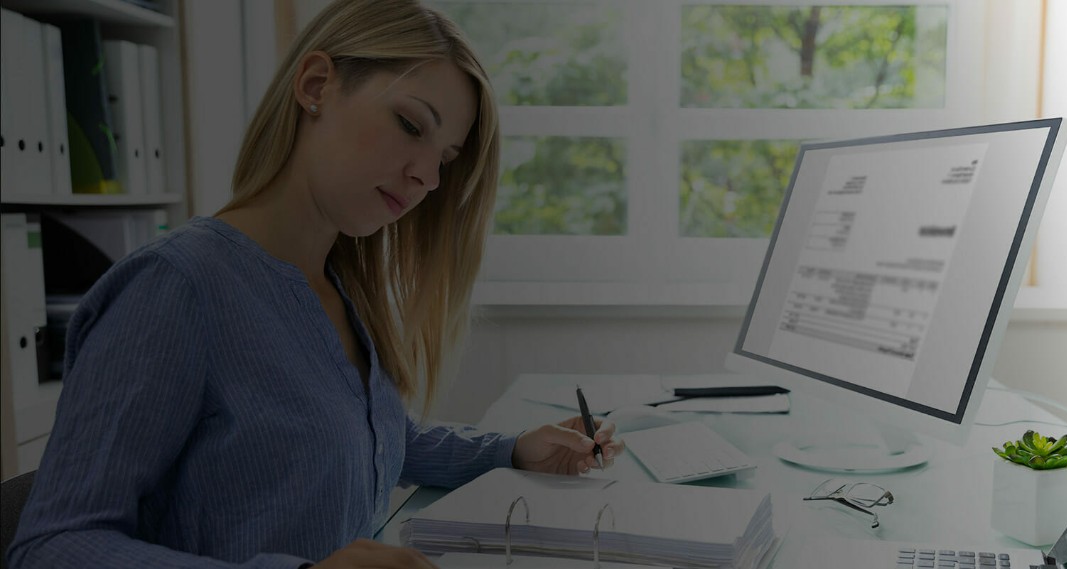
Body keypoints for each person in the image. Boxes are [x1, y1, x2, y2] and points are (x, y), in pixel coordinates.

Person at [5, 1, 622, 567]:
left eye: (446, 157)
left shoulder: (339, 285)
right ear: (316, 85)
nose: (427, 177)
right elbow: (51, 546)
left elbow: (368, 432)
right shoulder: (175, 289)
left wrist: (509, 450)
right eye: (411, 125)